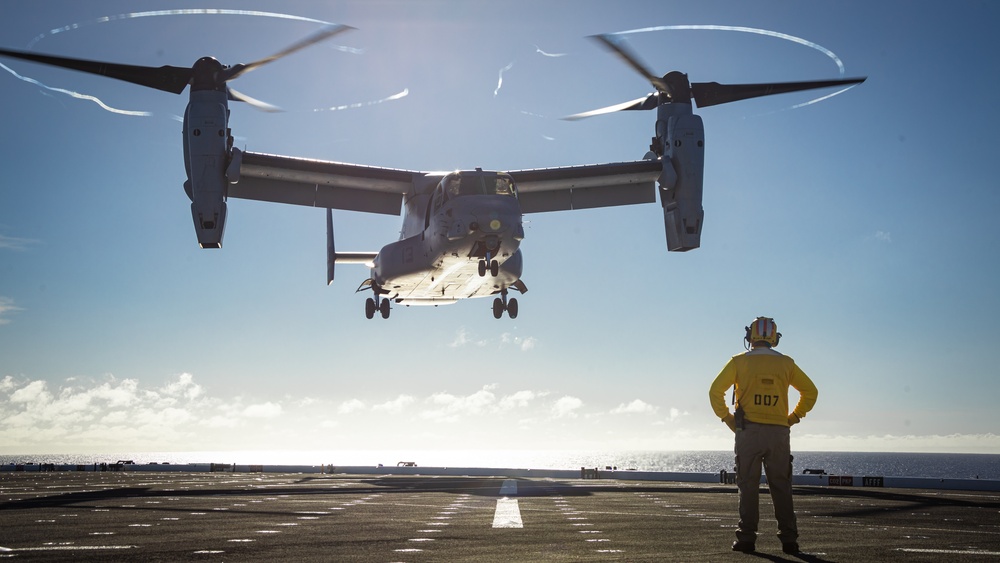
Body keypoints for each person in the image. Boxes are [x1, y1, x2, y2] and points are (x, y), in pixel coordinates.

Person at [709, 317, 818, 555]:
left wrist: (728, 419)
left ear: (751, 337)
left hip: (747, 432)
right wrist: (793, 418)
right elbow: (811, 392)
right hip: (779, 432)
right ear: (774, 339)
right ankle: (789, 541)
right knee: (781, 486)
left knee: (748, 486)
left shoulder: (738, 361)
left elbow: (715, 391)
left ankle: (746, 539)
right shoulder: (787, 364)